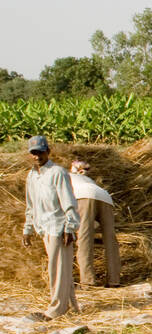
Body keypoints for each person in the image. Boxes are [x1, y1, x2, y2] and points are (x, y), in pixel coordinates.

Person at [21, 136, 81, 318]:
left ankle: (56, 310)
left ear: (48, 151)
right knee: (61, 270)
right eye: (34, 153)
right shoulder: (32, 176)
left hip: (59, 227)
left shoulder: (58, 173)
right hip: (44, 227)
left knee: (57, 269)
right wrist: (28, 228)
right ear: (30, 155)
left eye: (40, 152)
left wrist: (70, 227)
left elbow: (68, 201)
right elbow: (30, 205)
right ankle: (71, 307)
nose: (37, 156)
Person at [68, 159, 121, 288]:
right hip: (105, 198)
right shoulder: (90, 180)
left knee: (84, 238)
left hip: (83, 197)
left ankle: (88, 281)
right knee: (110, 240)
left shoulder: (67, 176)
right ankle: (114, 280)